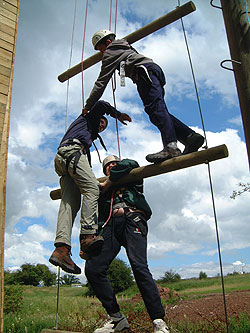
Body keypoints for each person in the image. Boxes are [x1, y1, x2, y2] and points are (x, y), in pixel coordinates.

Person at [82, 29, 204, 163]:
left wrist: (88, 105)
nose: (101, 53)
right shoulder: (124, 47)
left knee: (156, 109)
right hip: (150, 71)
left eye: (101, 49)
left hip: (143, 73)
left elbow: (101, 82)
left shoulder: (110, 52)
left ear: (108, 42)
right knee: (156, 111)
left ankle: (171, 147)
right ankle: (189, 137)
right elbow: (123, 67)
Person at [84, 155, 170, 332]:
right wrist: (88, 241)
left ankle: (158, 320)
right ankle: (117, 319)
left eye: (114, 163)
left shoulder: (132, 175)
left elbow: (131, 163)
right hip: (110, 226)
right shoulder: (102, 190)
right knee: (93, 268)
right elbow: (95, 215)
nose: (111, 167)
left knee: (138, 266)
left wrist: (112, 177)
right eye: (107, 166)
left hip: (133, 218)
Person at [49, 101, 131, 275]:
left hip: (63, 160)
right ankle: (88, 237)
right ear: (96, 117)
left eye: (104, 126)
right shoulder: (88, 119)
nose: (102, 126)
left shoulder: (86, 133)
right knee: (92, 189)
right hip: (72, 152)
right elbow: (100, 104)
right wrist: (117, 115)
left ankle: (61, 249)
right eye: (102, 122)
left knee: (69, 203)